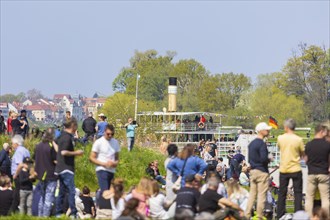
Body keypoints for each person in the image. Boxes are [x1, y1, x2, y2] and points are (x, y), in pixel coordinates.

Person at [55, 118, 84, 218]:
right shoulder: (67, 138)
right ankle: (73, 213)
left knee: (62, 191)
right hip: (66, 168)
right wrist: (77, 153)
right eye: (75, 125)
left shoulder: (61, 135)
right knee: (71, 191)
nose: (76, 128)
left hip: (59, 168)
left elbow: (54, 142)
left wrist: (57, 155)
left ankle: (58, 213)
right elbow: (63, 152)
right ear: (72, 126)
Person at [277, 118, 305, 219]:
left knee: (282, 193)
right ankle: (298, 214)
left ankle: (280, 215)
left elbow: (281, 148)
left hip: (284, 168)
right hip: (296, 168)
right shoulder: (299, 139)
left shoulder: (280, 138)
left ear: (286, 127)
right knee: (298, 193)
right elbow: (302, 153)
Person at [245, 122, 272, 219]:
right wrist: (270, 159)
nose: (268, 131)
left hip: (253, 171)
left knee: (252, 195)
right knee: (261, 195)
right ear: (261, 131)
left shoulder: (251, 144)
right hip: (261, 171)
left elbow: (249, 159)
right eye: (267, 129)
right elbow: (264, 159)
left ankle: (247, 214)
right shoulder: (262, 144)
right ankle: (260, 216)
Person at [304, 124, 330, 218]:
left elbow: (305, 159)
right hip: (323, 173)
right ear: (321, 131)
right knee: (325, 198)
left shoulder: (308, 145)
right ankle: (326, 217)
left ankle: (309, 217)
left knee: (309, 198)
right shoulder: (327, 145)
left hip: (311, 173)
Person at [34, 129, 58, 217]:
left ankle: (40, 216)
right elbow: (56, 159)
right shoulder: (51, 146)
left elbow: (34, 158)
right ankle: (45, 217)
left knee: (42, 197)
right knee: (49, 198)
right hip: (50, 174)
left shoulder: (38, 146)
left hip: (40, 174)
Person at [90, 124, 120, 192]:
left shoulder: (115, 142)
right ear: (104, 132)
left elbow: (117, 158)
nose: (110, 136)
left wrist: (114, 163)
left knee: (109, 191)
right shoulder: (99, 142)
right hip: (102, 169)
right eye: (108, 134)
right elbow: (92, 158)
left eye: (112, 134)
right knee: (105, 191)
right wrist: (104, 164)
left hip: (111, 170)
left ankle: (100, 201)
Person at [10, 134, 30, 213]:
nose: (12, 145)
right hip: (25, 175)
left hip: (18, 176)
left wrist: (15, 175)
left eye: (12, 143)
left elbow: (20, 164)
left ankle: (12, 211)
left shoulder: (19, 151)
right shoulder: (26, 150)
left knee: (17, 194)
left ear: (16, 143)